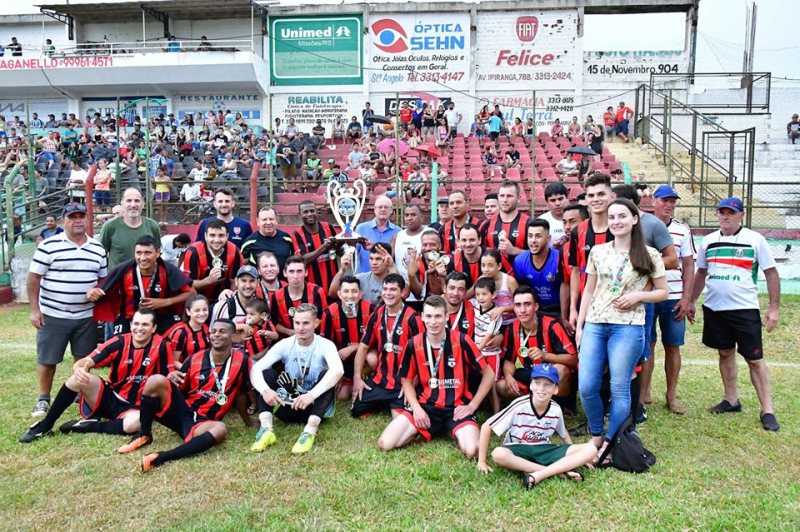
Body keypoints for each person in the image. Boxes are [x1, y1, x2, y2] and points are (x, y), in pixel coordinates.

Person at [575, 199, 668, 462]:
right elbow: (588, 290)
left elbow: (663, 292)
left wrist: (639, 296)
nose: (616, 221)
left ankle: (610, 441)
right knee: (588, 386)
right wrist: (580, 325)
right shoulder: (598, 251)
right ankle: (596, 435)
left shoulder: (650, 255)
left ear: (635, 219)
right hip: (595, 324)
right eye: (612, 217)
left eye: (622, 216)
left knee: (619, 387)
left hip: (628, 328)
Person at [688, 197, 781, 432]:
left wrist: (774, 308)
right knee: (725, 352)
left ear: (741, 215)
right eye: (721, 212)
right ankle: (731, 400)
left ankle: (767, 410)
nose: (725, 216)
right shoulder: (708, 241)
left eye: (730, 212)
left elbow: (771, 273)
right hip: (715, 309)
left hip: (745, 309)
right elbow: (700, 273)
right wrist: (691, 300)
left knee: (755, 360)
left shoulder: (754, 240)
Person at [19, 309, 173, 443]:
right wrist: (79, 368)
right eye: (136, 324)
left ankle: (89, 426)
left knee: (136, 424)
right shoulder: (119, 342)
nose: (139, 328)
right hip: (110, 396)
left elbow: (166, 380)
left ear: (154, 328)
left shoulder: (162, 346)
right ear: (131, 325)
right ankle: (46, 425)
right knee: (76, 380)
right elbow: (85, 361)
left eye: (145, 325)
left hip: (136, 406)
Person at [117, 319, 252, 472]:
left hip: (203, 422)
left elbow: (241, 394)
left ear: (233, 337)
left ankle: (161, 457)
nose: (216, 335)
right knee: (156, 380)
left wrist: (248, 422)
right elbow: (180, 388)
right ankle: (145, 434)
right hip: (182, 412)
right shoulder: (195, 358)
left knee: (220, 428)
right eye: (213, 331)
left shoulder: (242, 361)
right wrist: (172, 379)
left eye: (222, 331)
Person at [375, 295, 494, 458]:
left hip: (457, 408)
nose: (433, 322)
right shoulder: (413, 344)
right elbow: (407, 381)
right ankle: (430, 427)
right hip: (426, 406)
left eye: (438, 316)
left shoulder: (462, 340)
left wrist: (472, 406)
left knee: (472, 451)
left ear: (446, 317)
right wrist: (417, 409)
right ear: (422, 317)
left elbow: (489, 375)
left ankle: (450, 428)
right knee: (385, 443)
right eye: (429, 316)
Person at [26, 203, 108, 418]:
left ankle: (80, 393)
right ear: (64, 221)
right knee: (48, 359)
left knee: (83, 358)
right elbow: (34, 278)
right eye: (72, 217)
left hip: (86, 316)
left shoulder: (97, 248)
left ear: (88, 220)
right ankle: (44, 398)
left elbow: (102, 280)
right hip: (54, 313)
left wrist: (96, 290)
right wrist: (35, 310)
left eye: (82, 216)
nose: (78, 220)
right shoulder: (48, 246)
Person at [477, 363, 596, 489]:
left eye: (547, 385)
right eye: (537, 383)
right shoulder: (519, 405)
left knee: (591, 449)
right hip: (519, 449)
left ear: (556, 389)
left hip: (544, 449)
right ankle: (557, 472)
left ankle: (539, 474)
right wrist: (482, 461)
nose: (541, 388)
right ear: (531, 385)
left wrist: (576, 457)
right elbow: (486, 426)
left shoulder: (555, 409)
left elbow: (563, 432)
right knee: (498, 454)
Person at [250, 303, 344, 454]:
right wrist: (265, 390)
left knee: (326, 376)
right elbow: (256, 368)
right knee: (267, 374)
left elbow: (338, 370)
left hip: (314, 406)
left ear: (316, 323)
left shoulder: (326, 345)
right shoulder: (285, 344)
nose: (300, 328)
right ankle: (266, 430)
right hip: (288, 406)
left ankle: (310, 431)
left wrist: (311, 395)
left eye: (306, 323)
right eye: (297, 323)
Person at [641, 185, 696, 414]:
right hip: (650, 295)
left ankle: (671, 395)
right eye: (665, 200)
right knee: (648, 345)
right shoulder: (642, 226)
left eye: (673, 201)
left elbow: (689, 265)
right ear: (654, 201)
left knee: (673, 346)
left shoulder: (683, 230)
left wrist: (687, 299)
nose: (669, 205)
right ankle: (645, 392)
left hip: (673, 298)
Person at [90, 235, 194, 336]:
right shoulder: (123, 270)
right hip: (130, 318)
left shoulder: (168, 269)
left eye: (148, 253)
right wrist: (92, 292)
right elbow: (102, 289)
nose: (143, 258)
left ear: (158, 253)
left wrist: (165, 302)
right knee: (120, 345)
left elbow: (191, 293)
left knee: (180, 335)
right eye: (138, 253)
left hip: (160, 317)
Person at [351, 274, 423, 418]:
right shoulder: (376, 315)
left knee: (400, 417)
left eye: (393, 289)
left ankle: (393, 402)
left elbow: (422, 356)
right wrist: (357, 379)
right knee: (356, 409)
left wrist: (412, 384)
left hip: (402, 382)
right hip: (381, 379)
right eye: (385, 289)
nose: (388, 293)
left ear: (403, 293)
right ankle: (386, 401)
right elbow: (363, 347)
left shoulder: (414, 318)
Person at [497, 286, 577, 401]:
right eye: (518, 305)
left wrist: (545, 356)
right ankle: (530, 404)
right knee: (500, 386)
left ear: (536, 306)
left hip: (549, 372)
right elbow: (509, 360)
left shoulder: (552, 326)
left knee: (560, 370)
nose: (522, 310)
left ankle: (556, 403)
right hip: (529, 373)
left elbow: (573, 359)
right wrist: (509, 376)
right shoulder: (512, 329)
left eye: (527, 304)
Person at [568, 173, 614, 331]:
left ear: (612, 196)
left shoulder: (623, 229)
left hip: (617, 306)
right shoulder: (578, 231)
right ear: (586, 199)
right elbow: (574, 271)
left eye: (601, 194)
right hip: (587, 304)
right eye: (591, 195)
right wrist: (573, 308)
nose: (596, 199)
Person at [320, 276, 375, 401]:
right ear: (339, 294)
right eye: (346, 291)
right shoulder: (329, 313)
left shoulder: (371, 309)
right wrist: (337, 372)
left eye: (354, 291)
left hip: (365, 356)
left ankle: (372, 379)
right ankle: (350, 378)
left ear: (360, 294)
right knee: (342, 396)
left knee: (373, 358)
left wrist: (352, 348)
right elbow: (326, 346)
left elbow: (376, 341)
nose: (350, 295)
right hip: (342, 360)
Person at [181, 219, 243, 301]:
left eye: (221, 235)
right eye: (212, 235)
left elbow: (235, 282)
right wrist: (208, 280)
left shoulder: (235, 251)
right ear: (205, 236)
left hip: (223, 299)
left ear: (227, 236)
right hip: (197, 300)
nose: (216, 240)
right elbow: (188, 285)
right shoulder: (193, 252)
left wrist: (231, 300)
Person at [99, 188, 161, 270]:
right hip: (118, 280)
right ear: (122, 204)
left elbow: (157, 254)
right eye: (129, 200)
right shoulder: (110, 226)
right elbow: (101, 256)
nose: (133, 205)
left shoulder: (153, 226)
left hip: (145, 280)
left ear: (143, 204)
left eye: (137, 201)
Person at [513, 220, 564, 318]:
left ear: (548, 238)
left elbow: (566, 288)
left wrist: (564, 316)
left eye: (538, 236)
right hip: (536, 311)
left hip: (559, 310)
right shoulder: (520, 261)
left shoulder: (559, 258)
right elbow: (523, 290)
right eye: (530, 236)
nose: (533, 240)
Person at [269, 256, 328, 337]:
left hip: (313, 338)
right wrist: (289, 332)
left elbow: (324, 319)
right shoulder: (276, 296)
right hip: (288, 341)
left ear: (306, 272)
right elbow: (273, 323)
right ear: (285, 273)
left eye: (299, 271)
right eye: (291, 271)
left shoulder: (317, 292)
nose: (295, 276)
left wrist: (304, 331)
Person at [470, 277, 504, 412]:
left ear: (493, 295)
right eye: (477, 294)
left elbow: (489, 335)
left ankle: (497, 413)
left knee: (492, 384)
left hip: (490, 353)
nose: (480, 297)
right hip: (479, 351)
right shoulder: (474, 305)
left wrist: (476, 350)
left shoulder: (495, 314)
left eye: (484, 294)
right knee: (480, 381)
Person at [331, 243, 396, 306]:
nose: (374, 262)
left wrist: (392, 266)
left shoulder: (395, 278)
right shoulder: (360, 278)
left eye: (378, 259)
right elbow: (333, 294)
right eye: (371, 258)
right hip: (366, 316)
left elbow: (403, 293)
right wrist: (342, 270)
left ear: (388, 259)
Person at [292, 200, 338, 289]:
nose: (309, 214)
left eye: (312, 211)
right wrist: (324, 247)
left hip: (333, 283)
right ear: (300, 215)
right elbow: (303, 259)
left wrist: (341, 245)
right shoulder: (297, 234)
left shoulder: (328, 227)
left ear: (316, 212)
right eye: (305, 212)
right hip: (311, 287)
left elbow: (339, 252)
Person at [481, 181, 531, 259]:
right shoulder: (487, 224)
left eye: (509, 196)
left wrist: (514, 251)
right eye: (502, 196)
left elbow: (539, 254)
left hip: (520, 271)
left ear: (518, 198)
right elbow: (480, 251)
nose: (505, 199)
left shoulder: (529, 224)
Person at [559, 204, 589, 334]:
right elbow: (565, 283)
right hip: (577, 307)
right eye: (564, 222)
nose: (567, 227)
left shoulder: (599, 243)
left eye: (572, 221)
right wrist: (565, 313)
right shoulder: (564, 249)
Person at [390, 204, 426, 306]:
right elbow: (388, 261)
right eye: (407, 215)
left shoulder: (429, 234)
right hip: (402, 294)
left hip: (424, 293)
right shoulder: (397, 237)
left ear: (421, 217)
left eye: (413, 215)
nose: (409, 218)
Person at [354, 195, 401, 274]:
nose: (383, 209)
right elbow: (353, 252)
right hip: (364, 278)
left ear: (391, 210)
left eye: (386, 207)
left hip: (388, 281)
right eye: (380, 207)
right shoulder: (361, 228)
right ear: (374, 209)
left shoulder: (398, 231)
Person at [241, 207, 294, 272]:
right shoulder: (249, 243)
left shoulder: (287, 239)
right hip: (260, 282)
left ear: (276, 220)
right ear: (258, 221)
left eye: (271, 219)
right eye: (264, 219)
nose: (268, 222)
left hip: (284, 281)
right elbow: (243, 265)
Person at [210, 265, 261, 330]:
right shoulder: (224, 306)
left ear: (258, 283)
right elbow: (215, 336)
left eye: (252, 281)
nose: (248, 286)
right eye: (243, 281)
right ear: (236, 281)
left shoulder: (261, 305)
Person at [166, 295, 210, 369]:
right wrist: (191, 372)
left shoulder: (206, 328)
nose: (202, 313)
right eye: (197, 310)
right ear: (188, 312)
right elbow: (174, 361)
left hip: (205, 370)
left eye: (205, 310)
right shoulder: (181, 333)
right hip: (187, 373)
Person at [480, 249, 518, 325]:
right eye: (483, 265)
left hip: (513, 322)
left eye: (490, 265)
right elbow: (470, 295)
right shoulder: (481, 280)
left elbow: (519, 305)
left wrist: (503, 309)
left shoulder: (509, 281)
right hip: (493, 324)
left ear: (499, 266)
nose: (486, 269)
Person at [408, 228, 447, 302]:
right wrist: (411, 276)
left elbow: (439, 295)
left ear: (440, 246)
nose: (428, 248)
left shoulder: (447, 261)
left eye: (432, 244)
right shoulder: (417, 263)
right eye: (425, 245)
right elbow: (418, 295)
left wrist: (433, 276)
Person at [439, 191, 478, 255]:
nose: (455, 206)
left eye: (458, 202)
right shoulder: (443, 229)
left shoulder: (479, 225)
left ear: (467, 203)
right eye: (451, 203)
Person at [538, 184, 569, 248]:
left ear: (567, 199)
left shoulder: (577, 218)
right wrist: (552, 249)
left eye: (560, 199)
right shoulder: (541, 222)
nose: (557, 203)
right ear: (547, 203)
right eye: (553, 200)